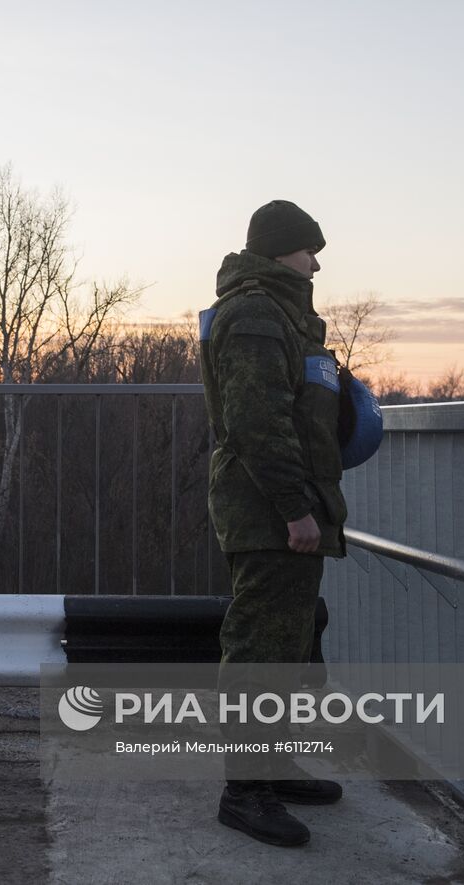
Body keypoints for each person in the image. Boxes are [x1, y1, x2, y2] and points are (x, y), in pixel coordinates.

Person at [197, 199, 349, 847]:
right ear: (283, 247)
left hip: (287, 506)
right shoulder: (258, 312)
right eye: (309, 249)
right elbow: (256, 421)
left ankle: (272, 764)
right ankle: (245, 789)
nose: (316, 263)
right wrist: (295, 508)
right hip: (268, 510)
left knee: (288, 643)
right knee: (260, 646)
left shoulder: (283, 312)